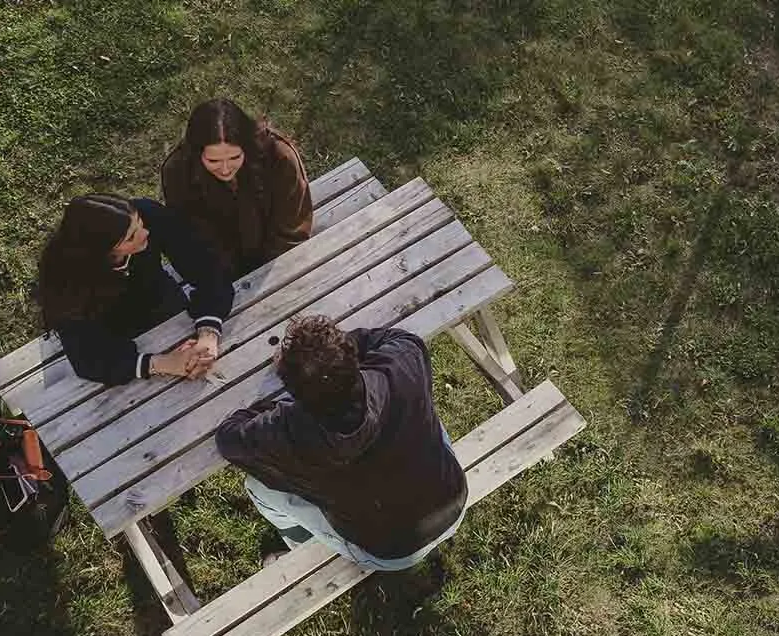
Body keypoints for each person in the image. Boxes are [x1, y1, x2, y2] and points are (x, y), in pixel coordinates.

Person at [215, 315, 467, 571]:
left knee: (258, 488)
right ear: (353, 358)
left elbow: (228, 438)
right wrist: (332, 355)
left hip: (391, 551)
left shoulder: (288, 435)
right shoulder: (401, 362)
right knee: (420, 405)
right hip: (453, 497)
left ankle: (303, 547)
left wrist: (272, 408)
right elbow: (401, 337)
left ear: (292, 391)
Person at [34, 194, 232, 385]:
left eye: (140, 224)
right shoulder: (64, 282)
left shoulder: (147, 214)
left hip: (166, 304)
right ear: (104, 250)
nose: (144, 233)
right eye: (130, 237)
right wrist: (161, 364)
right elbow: (88, 359)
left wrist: (208, 333)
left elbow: (206, 266)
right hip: (112, 336)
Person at [160, 97, 315, 279]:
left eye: (234, 158)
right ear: (197, 153)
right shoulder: (178, 170)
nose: (225, 169)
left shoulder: (279, 156)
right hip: (221, 270)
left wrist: (266, 276)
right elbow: (188, 234)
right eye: (213, 161)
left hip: (275, 262)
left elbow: (292, 228)